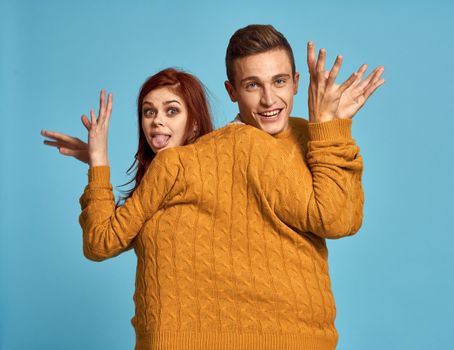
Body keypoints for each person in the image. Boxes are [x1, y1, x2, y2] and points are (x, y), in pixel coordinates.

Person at [42, 25, 385, 350]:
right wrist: (98, 162)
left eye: (278, 81)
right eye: (252, 85)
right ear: (231, 91)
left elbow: (339, 219)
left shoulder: (315, 139)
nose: (269, 99)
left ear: (296, 82)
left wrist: (329, 127)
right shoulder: (183, 163)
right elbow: (102, 241)